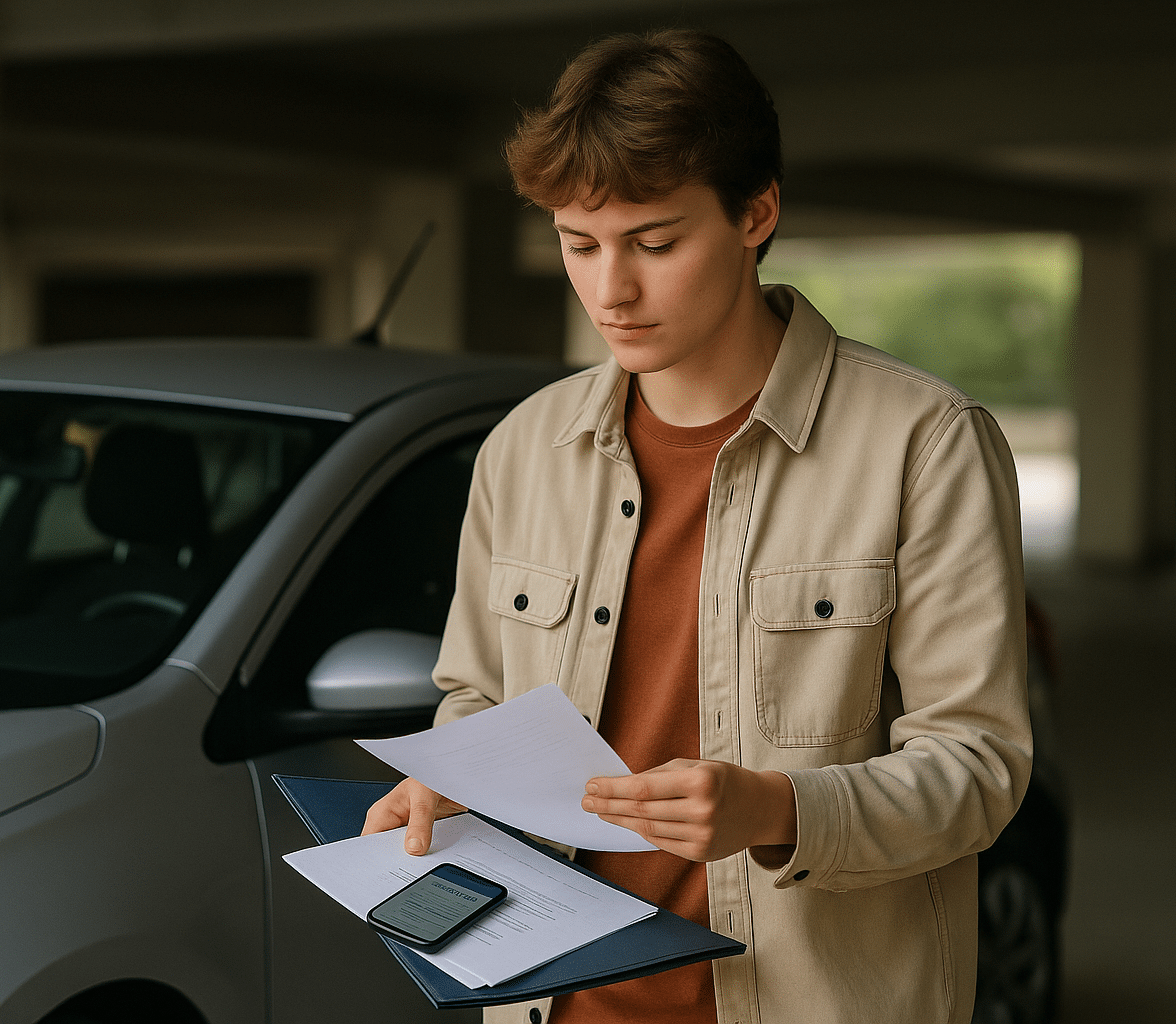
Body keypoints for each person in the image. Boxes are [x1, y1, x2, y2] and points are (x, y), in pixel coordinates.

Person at [362, 28, 1031, 1024]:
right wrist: (450, 785)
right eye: (577, 244)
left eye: (655, 242)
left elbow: (979, 768)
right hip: (550, 1004)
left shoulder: (924, 443)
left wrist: (781, 810)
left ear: (757, 214)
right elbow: (476, 693)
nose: (609, 289)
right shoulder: (522, 449)